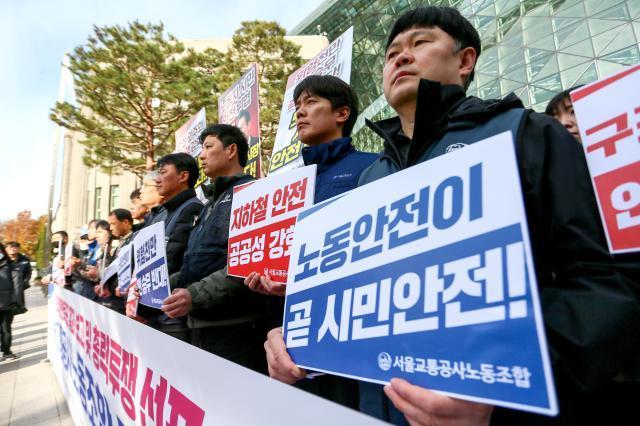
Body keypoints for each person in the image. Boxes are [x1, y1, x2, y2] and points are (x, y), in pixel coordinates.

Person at [264, 6, 640, 426]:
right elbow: (349, 306)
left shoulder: (526, 134)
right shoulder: (371, 178)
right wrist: (298, 343)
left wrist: (502, 390)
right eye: (391, 54)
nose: (400, 57)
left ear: (465, 61)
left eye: (420, 43)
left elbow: (606, 281)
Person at [244, 75, 377, 408]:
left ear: (342, 113)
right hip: (289, 333)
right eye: (298, 106)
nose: (300, 113)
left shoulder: (372, 167)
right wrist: (268, 277)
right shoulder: (284, 187)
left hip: (349, 333)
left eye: (312, 102)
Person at [161, 124, 271, 374]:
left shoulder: (253, 194)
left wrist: (194, 295)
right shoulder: (210, 203)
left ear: (231, 150)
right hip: (202, 325)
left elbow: (247, 264)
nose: (201, 155)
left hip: (235, 331)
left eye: (209, 147)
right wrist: (161, 285)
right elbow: (195, 264)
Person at [130, 153, 203, 341]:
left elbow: (177, 261)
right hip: (154, 307)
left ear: (183, 176)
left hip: (172, 314)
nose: (157, 179)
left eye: (163, 172)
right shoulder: (163, 212)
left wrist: (148, 286)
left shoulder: (191, 208)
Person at [0, 242, 21, 361]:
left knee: (6, 329)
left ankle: (6, 352)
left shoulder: (11, 265)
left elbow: (17, 285)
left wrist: (14, 301)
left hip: (6, 304)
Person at [5, 242, 32, 309]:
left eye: (15, 247)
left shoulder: (24, 259)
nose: (13, 249)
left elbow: (28, 272)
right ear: (6, 249)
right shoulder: (3, 260)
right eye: (10, 247)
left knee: (15, 309)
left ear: (18, 249)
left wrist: (25, 282)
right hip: (4, 289)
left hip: (18, 288)